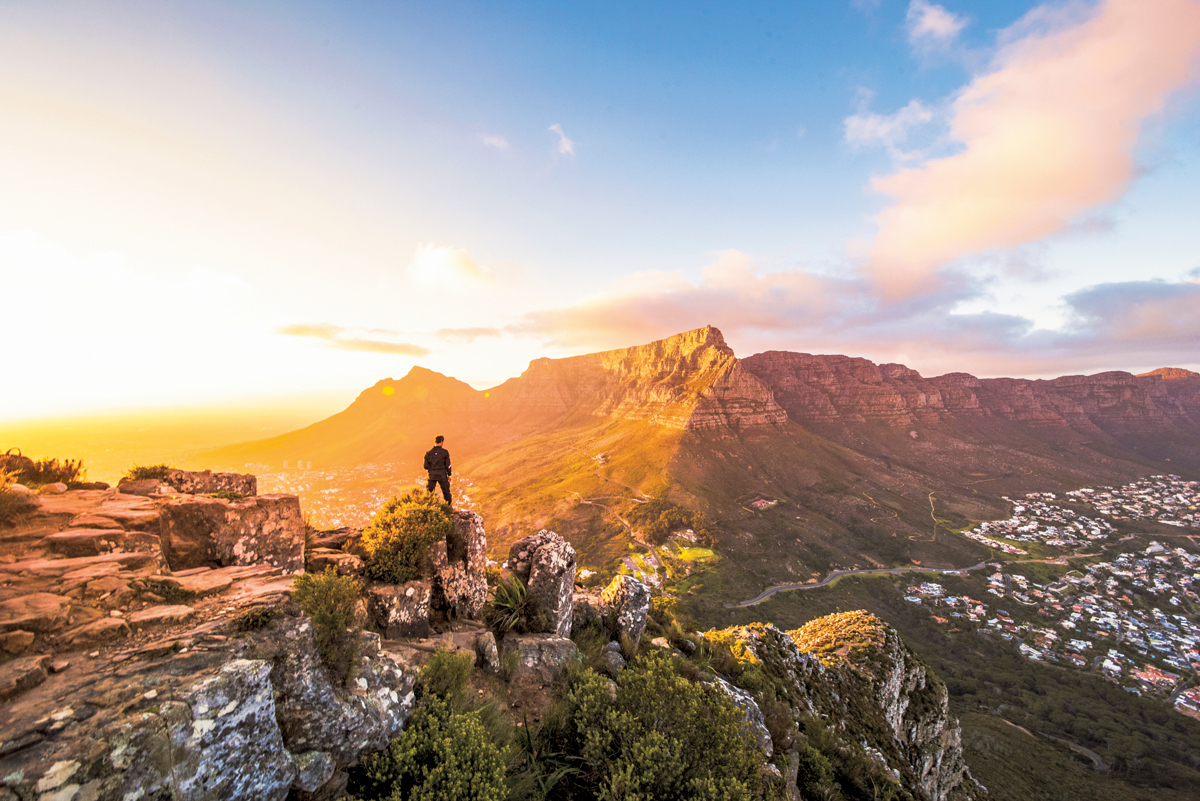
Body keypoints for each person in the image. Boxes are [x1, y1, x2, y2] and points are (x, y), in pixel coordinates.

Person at [423, 435, 452, 505]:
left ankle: (428, 508)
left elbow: (425, 466)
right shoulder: (445, 452)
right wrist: (449, 475)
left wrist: (432, 468)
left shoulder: (428, 453)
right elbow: (448, 465)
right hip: (442, 475)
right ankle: (448, 507)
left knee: (429, 492)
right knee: (446, 492)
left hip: (432, 475)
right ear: (441, 442)